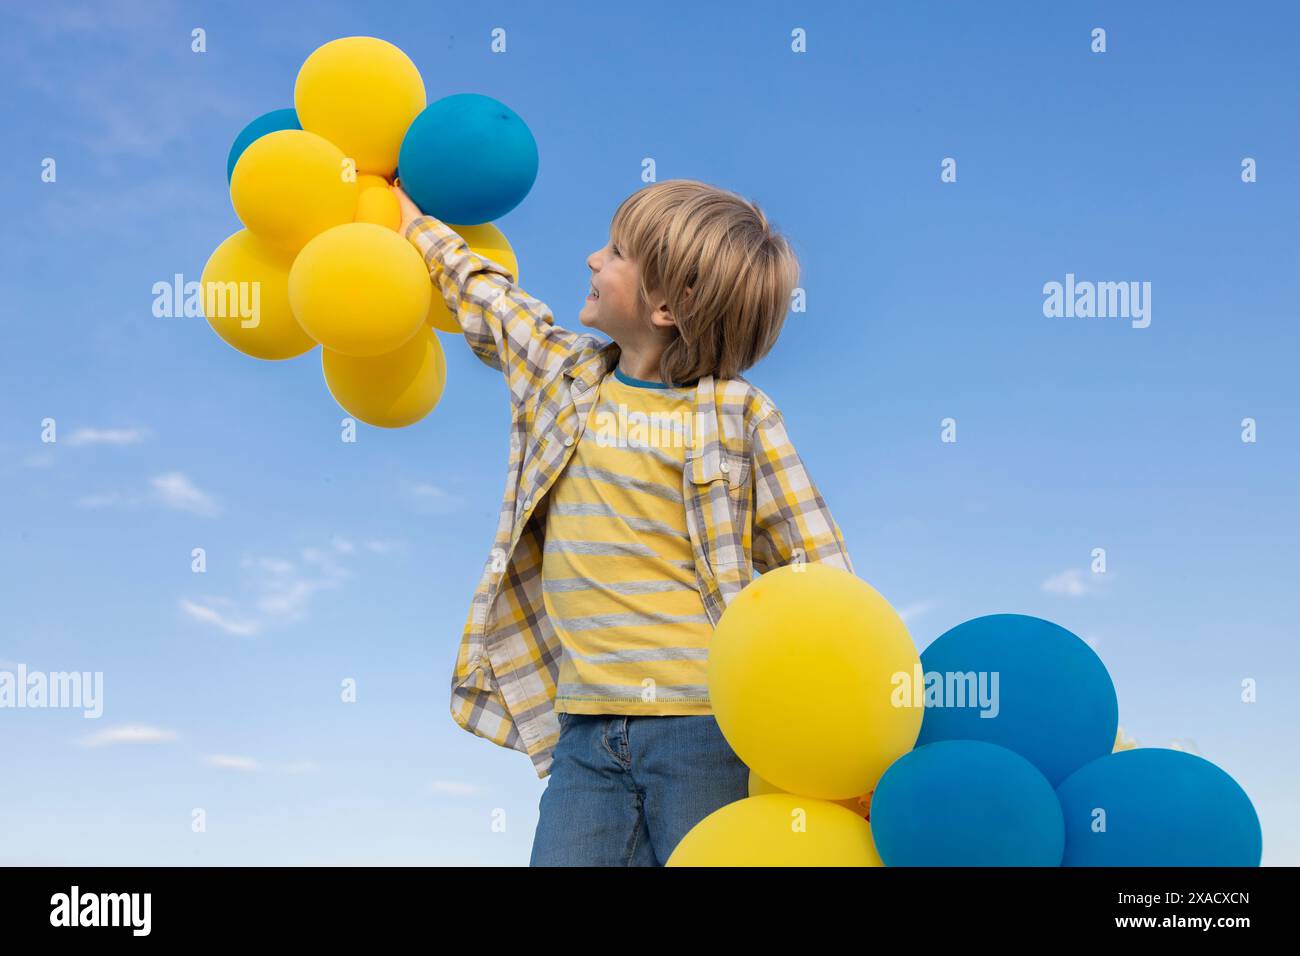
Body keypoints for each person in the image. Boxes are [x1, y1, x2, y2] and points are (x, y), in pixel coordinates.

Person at [392, 178, 852, 865]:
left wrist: (842, 740)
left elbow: (821, 577)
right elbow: (491, 301)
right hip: (584, 732)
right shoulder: (564, 376)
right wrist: (410, 224)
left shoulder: (739, 416)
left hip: (708, 731)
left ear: (669, 305)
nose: (590, 259)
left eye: (615, 253)